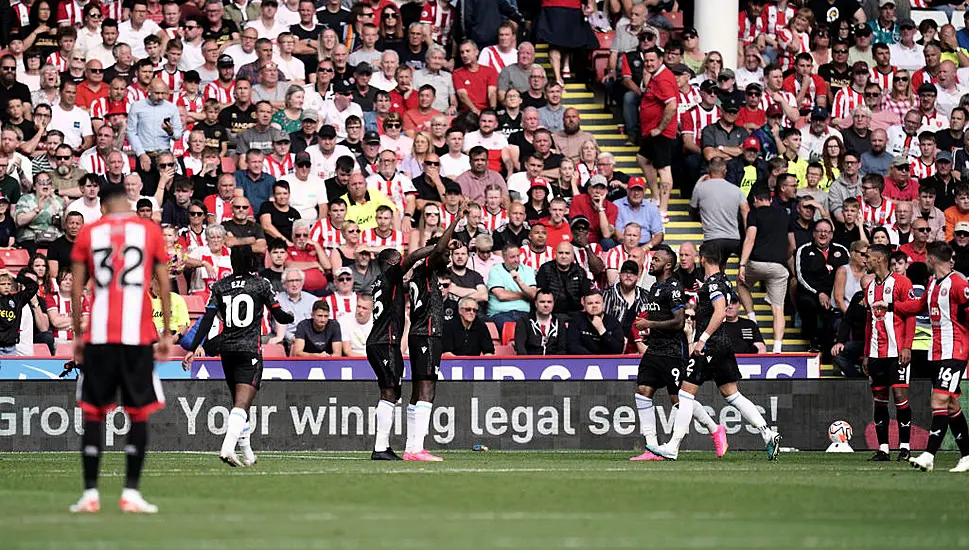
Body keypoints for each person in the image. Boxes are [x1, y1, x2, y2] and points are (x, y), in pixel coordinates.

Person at [67, 184, 171, 514]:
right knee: (139, 412)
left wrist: (77, 334)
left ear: (103, 205)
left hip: (99, 334)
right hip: (137, 334)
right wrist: (167, 330)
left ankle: (90, 494)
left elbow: (76, 288)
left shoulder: (89, 232)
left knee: (94, 413)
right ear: (127, 201)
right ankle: (130, 493)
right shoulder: (149, 230)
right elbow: (164, 280)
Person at [647, 245, 782, 462]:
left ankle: (673, 446)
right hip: (723, 346)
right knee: (733, 395)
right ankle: (768, 433)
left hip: (710, 346)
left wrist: (702, 339)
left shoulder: (713, 284)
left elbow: (719, 312)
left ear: (702, 259)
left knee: (684, 394)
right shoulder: (723, 281)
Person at [182, 245, 293, 467]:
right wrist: (289, 317)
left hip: (227, 350)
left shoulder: (220, 285)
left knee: (239, 405)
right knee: (241, 405)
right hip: (249, 350)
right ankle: (227, 448)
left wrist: (193, 348)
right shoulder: (261, 284)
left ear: (233, 262)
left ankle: (248, 453)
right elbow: (279, 315)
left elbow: (206, 320)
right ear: (252, 262)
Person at [366, 210, 460, 461]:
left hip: (390, 339)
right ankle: (395, 448)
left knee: (403, 392)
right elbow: (424, 254)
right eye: (398, 260)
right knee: (398, 392)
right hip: (398, 338)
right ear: (390, 264)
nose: (402, 264)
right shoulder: (401, 274)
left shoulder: (390, 282)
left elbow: (430, 256)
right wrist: (453, 224)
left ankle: (406, 448)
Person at [630, 245, 727, 461]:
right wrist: (651, 333)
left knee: (678, 400)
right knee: (643, 390)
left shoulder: (673, 287)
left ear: (667, 265)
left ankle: (714, 428)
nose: (651, 262)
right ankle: (651, 447)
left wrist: (649, 323)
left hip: (673, 352)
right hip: (655, 349)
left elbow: (678, 322)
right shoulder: (655, 287)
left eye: (656, 260)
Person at [899, 242, 969, 473]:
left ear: (931, 259)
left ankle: (929, 455)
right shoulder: (932, 284)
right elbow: (918, 305)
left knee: (938, 400)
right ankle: (968, 456)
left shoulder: (958, 283)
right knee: (950, 405)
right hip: (937, 352)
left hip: (955, 351)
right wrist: (891, 305)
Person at [861, 243, 916, 462]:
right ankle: (883, 448)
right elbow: (869, 321)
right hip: (876, 352)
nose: (865, 260)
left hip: (897, 351)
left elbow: (911, 315)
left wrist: (906, 346)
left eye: (869, 257)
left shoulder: (902, 283)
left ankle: (905, 447)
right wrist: (866, 352)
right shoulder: (869, 287)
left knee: (900, 396)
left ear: (880, 259)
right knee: (879, 399)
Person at [565, 291, 623, 355]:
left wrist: (602, 331)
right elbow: (572, 346)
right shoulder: (576, 320)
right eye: (590, 303)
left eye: (597, 303)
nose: (594, 306)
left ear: (603, 304)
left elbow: (618, 350)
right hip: (584, 360)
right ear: (584, 305)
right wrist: (593, 359)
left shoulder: (613, 322)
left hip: (607, 361)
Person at [513, 290, 566, 355]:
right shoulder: (524, 321)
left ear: (553, 304)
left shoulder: (559, 322)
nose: (546, 305)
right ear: (536, 303)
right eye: (542, 302)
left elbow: (562, 349)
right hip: (530, 361)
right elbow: (520, 348)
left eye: (549, 302)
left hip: (553, 363)